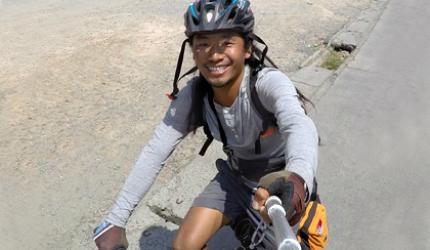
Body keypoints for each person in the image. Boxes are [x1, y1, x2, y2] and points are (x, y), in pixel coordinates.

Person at [93, 0, 319, 249]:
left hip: (279, 183)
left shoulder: (267, 84)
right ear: (192, 51)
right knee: (182, 246)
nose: (214, 54)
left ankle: (262, 219)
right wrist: (116, 219)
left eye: (227, 42)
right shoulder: (194, 94)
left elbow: (299, 126)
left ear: (247, 48)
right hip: (235, 178)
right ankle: (243, 220)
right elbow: (155, 151)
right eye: (203, 44)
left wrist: (298, 180)